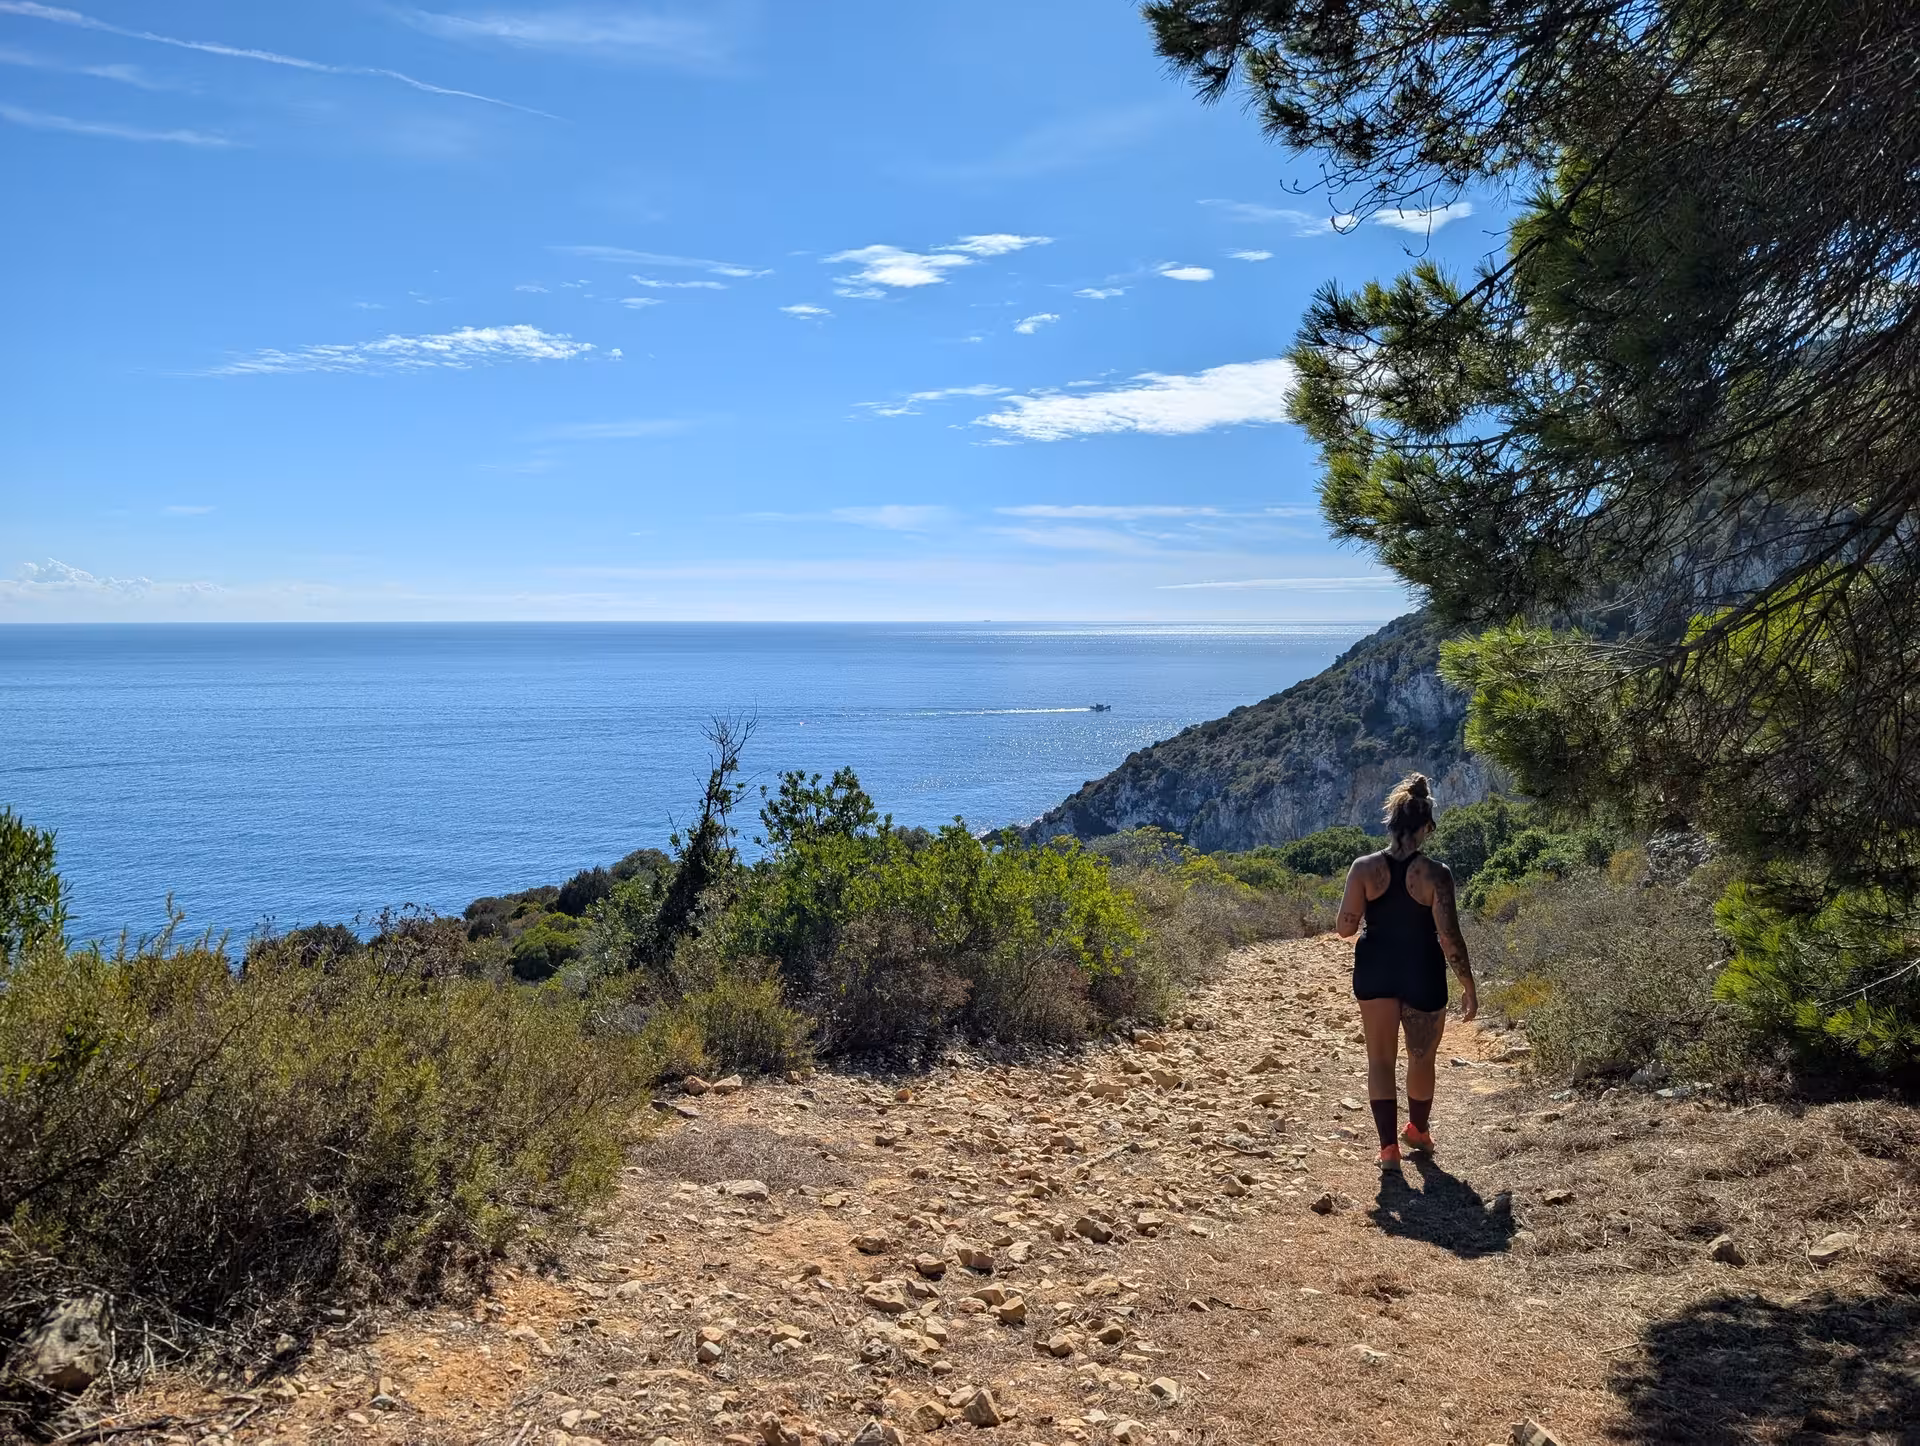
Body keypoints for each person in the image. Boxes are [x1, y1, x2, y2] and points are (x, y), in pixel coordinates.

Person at [1335, 773, 1478, 1168]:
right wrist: (1468, 984)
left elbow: (1345, 927)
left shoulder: (1363, 868)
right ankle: (1417, 1131)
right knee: (1421, 1057)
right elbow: (1450, 937)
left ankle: (1388, 1150)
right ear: (1426, 827)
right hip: (1423, 970)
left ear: (1391, 823)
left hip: (1376, 967)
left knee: (1379, 1060)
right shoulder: (1437, 874)